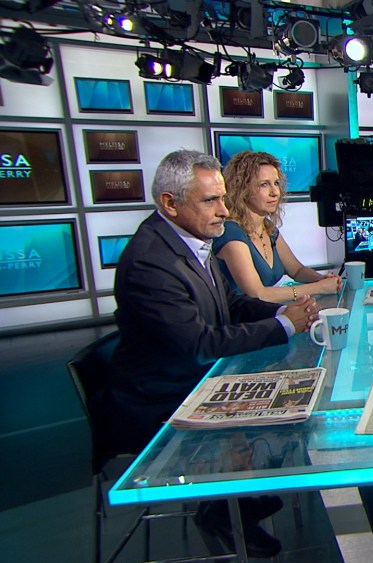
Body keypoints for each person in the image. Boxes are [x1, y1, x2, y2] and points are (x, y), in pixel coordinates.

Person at [105, 149, 319, 558]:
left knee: (296, 394)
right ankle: (224, 509)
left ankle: (243, 499)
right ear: (170, 203)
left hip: (189, 380)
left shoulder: (191, 241)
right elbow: (199, 345)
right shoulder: (151, 262)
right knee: (282, 416)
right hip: (160, 399)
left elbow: (230, 306)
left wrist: (279, 313)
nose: (224, 210)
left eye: (222, 198)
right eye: (210, 201)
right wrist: (284, 326)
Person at [213, 150, 341, 303]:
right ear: (242, 190)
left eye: (276, 183)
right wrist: (318, 288)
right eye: (264, 185)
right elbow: (258, 294)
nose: (275, 192)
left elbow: (297, 270)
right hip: (243, 316)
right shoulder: (231, 232)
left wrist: (321, 279)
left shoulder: (269, 228)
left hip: (269, 312)